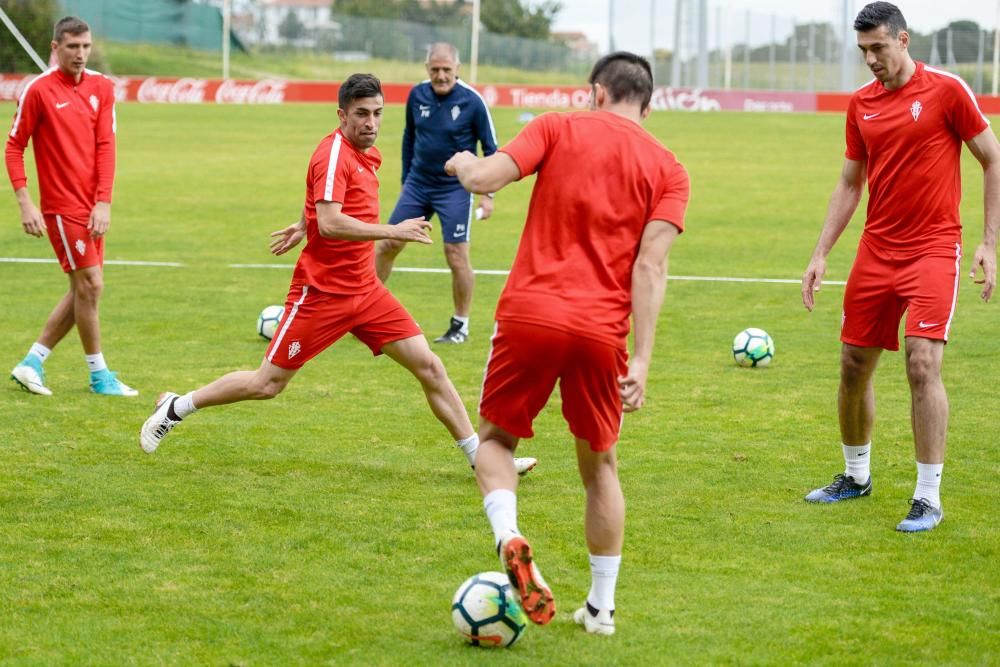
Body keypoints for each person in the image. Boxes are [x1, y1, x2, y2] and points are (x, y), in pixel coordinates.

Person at [139, 74, 536, 476]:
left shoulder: (368, 153)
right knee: (267, 384)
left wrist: (300, 222)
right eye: (361, 114)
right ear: (342, 115)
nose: (371, 122)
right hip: (322, 295)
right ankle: (178, 405)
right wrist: (390, 230)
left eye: (378, 113)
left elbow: (322, 202)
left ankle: (482, 460)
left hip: (365, 291)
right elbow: (329, 222)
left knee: (430, 366)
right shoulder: (333, 153)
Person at [445, 52, 689, 635]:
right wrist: (644, 359)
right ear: (646, 106)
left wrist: (458, 163)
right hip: (602, 333)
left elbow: (483, 178)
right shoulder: (669, 169)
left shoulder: (557, 125)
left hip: (529, 314)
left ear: (596, 93)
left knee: (497, 440)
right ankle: (601, 609)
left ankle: (509, 534)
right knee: (600, 464)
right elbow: (651, 269)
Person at [801, 1, 999, 533]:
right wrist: (821, 253)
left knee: (921, 365)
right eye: (863, 50)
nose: (870, 59)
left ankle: (928, 496)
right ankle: (855, 476)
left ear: (903, 41)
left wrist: (989, 243)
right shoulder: (860, 104)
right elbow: (849, 183)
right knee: (852, 367)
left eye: (878, 48)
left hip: (934, 249)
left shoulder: (947, 92)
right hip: (876, 250)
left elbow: (992, 157)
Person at [5, 16, 137, 397]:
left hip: (93, 208)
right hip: (62, 208)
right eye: (72, 47)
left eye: (85, 46)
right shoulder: (38, 91)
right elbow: (14, 147)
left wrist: (104, 203)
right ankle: (99, 376)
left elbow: (106, 147)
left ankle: (32, 362)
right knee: (91, 284)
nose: (80, 54)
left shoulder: (102, 87)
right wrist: (25, 202)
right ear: (55, 47)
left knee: (85, 290)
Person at [374, 42, 497, 345]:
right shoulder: (417, 95)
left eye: (446, 70)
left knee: (455, 255)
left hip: (455, 187)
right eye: (435, 70)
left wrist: (488, 194)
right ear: (426, 69)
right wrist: (405, 180)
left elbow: (492, 149)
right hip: (417, 184)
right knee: (388, 243)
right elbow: (409, 138)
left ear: (458, 69)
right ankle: (363, 311)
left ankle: (460, 325)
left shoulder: (473, 101)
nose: (441, 76)